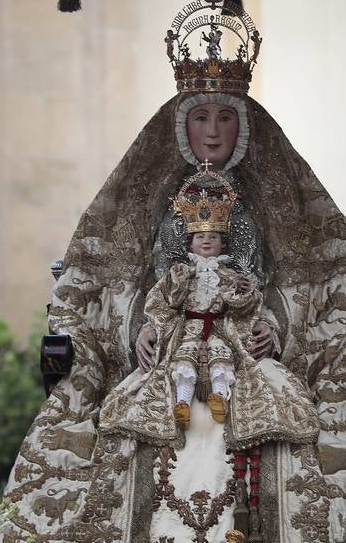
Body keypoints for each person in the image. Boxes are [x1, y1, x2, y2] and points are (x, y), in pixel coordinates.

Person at [2, 0, 346, 543]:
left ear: (243, 127)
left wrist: (280, 324)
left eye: (224, 117)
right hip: (167, 360)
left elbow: (314, 276)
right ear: (180, 125)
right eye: (200, 118)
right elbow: (113, 281)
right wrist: (140, 324)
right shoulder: (151, 195)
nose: (212, 130)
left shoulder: (274, 194)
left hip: (251, 361)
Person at [98, 169, 318, 449]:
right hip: (186, 330)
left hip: (223, 331)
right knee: (183, 363)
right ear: (188, 243)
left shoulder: (230, 275)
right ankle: (181, 402)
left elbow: (245, 306)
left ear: (223, 243)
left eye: (213, 236)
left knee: (222, 361)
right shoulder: (180, 273)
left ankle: (220, 399)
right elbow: (163, 302)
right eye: (200, 237)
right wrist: (156, 321)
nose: (206, 241)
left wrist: (244, 298)